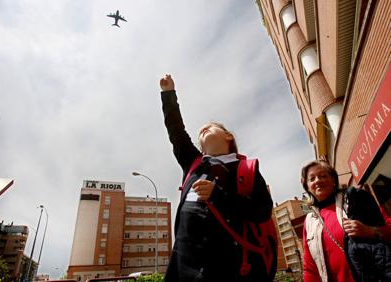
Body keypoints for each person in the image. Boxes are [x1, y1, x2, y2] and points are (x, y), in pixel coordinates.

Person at [159, 74, 274, 282]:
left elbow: (262, 211)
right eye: (201, 131)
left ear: (229, 136)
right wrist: (168, 94)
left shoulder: (245, 168)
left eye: (212, 126)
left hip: (229, 267)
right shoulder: (193, 163)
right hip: (184, 265)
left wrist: (218, 196)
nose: (204, 127)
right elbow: (176, 131)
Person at [301, 160, 391, 282]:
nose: (317, 180)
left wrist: (370, 231)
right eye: (312, 179)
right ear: (307, 187)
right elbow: (309, 267)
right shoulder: (309, 221)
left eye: (323, 176)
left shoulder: (356, 199)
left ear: (333, 180)